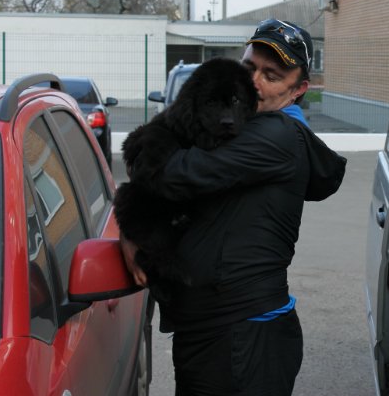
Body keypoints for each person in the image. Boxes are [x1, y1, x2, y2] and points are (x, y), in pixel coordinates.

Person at [122, 19, 347, 395]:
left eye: (272, 75)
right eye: (248, 68)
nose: (255, 83)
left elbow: (162, 172)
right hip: (213, 330)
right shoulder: (237, 130)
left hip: (243, 337)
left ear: (297, 90)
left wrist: (131, 215)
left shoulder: (275, 134)